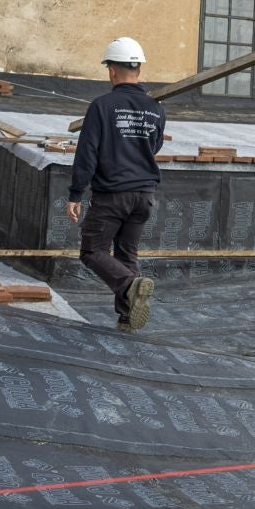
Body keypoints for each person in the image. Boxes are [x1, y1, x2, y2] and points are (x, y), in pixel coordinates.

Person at [67, 37, 165, 331]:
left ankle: (130, 285)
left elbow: (87, 152)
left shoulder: (102, 106)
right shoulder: (156, 108)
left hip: (113, 195)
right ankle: (127, 317)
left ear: (111, 70)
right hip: (145, 195)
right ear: (139, 69)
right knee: (126, 255)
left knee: (92, 251)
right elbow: (154, 146)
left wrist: (76, 193)